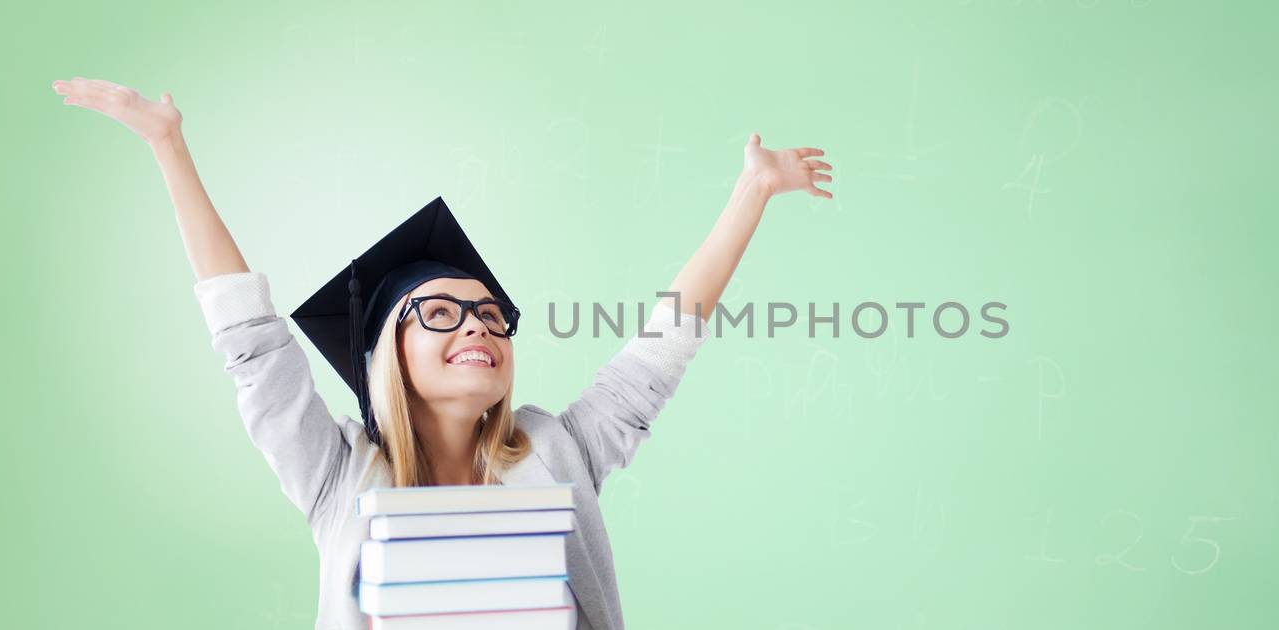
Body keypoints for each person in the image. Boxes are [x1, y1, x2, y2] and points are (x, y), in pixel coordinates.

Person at [52, 76, 834, 630]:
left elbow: (659, 351)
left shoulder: (558, 454)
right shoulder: (339, 476)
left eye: (492, 315)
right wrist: (168, 146)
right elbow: (252, 345)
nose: (479, 327)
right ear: (387, 350)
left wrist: (751, 194)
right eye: (443, 313)